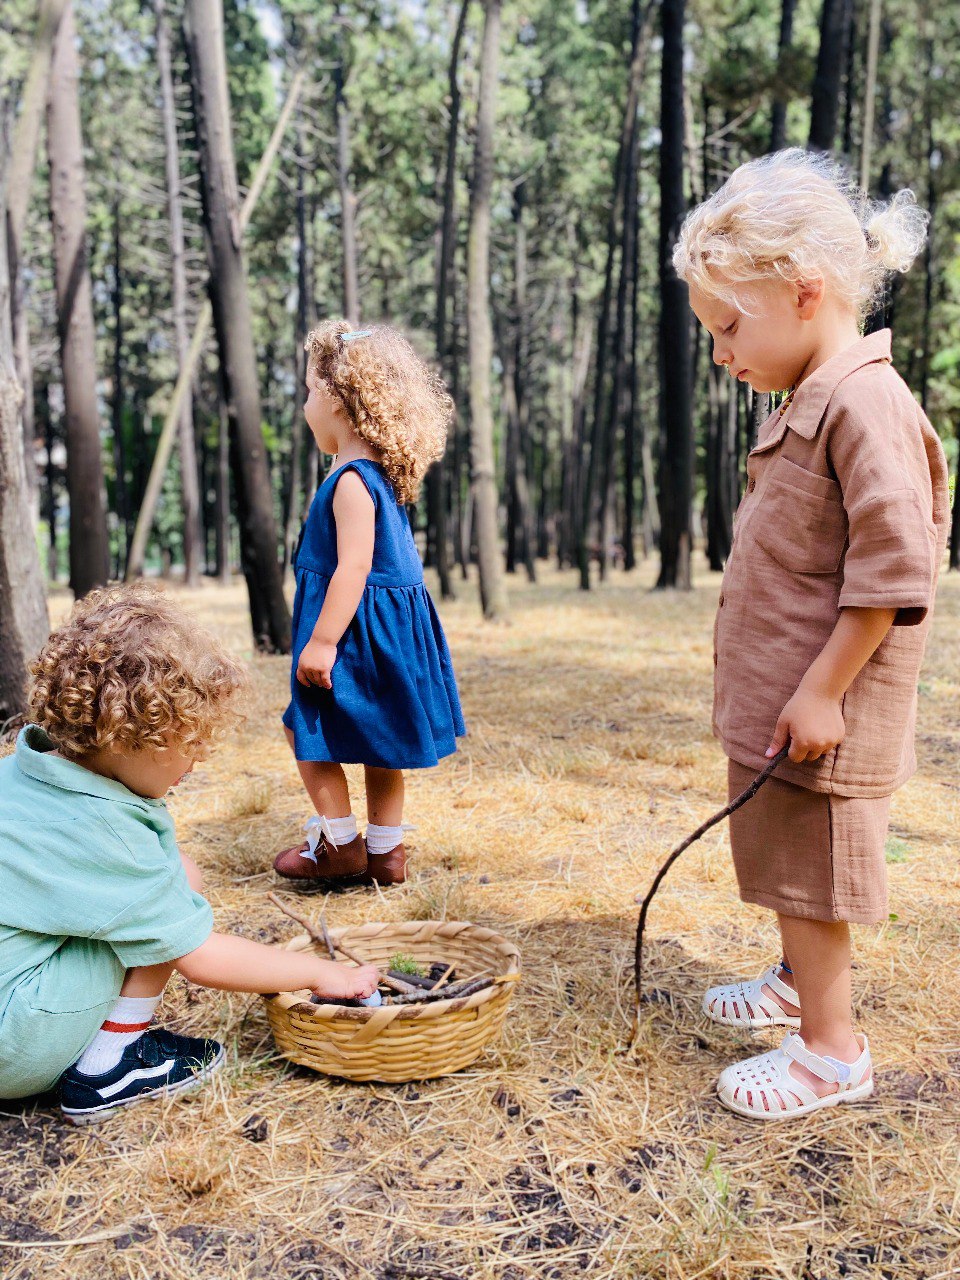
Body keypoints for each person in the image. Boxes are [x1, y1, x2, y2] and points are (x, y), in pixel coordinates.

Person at [672, 149, 950, 1120]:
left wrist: (825, 687)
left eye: (728, 326)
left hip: (823, 712)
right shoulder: (814, 396)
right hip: (791, 706)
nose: (720, 352)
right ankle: (796, 983)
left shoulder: (867, 402)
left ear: (805, 291)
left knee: (818, 875)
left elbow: (892, 567)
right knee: (791, 864)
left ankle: (832, 1050)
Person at [0, 586, 379, 1122]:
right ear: (127, 737)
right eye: (188, 742)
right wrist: (319, 975)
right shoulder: (110, 832)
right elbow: (196, 953)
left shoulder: (23, 770)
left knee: (178, 875)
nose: (197, 762)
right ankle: (108, 1066)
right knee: (171, 896)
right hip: (15, 1045)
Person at [275, 320, 465, 887]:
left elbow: (354, 567)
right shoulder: (380, 477)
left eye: (310, 390)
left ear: (339, 397)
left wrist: (323, 642)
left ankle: (340, 845)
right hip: (384, 633)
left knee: (301, 727)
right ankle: (387, 853)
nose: (307, 403)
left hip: (354, 636)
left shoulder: (352, 481)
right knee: (384, 747)